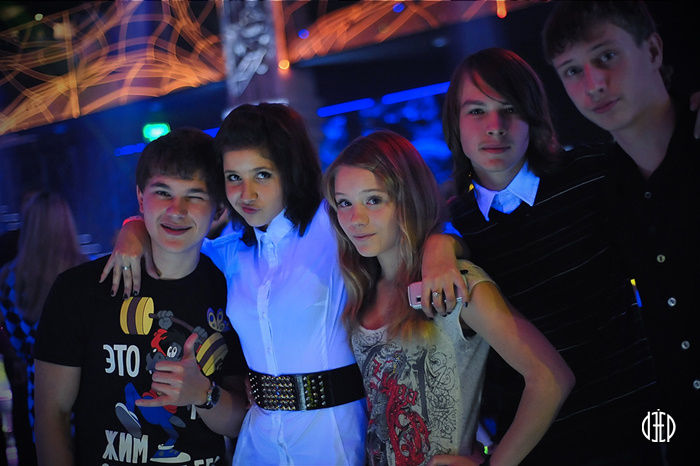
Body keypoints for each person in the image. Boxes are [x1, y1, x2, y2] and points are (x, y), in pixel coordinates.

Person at [100, 103, 467, 465]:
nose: (247, 194)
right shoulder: (232, 252)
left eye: (262, 175)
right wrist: (133, 228)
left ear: (289, 172)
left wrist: (440, 248)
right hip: (259, 441)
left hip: (334, 438)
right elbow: (175, 238)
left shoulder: (332, 225)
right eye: (233, 178)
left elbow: (416, 227)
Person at [442, 47, 666, 465]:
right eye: (477, 111)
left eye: (510, 109)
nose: (495, 127)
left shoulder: (593, 172)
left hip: (637, 426)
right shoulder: (455, 223)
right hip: (534, 446)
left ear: (534, 115)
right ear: (454, 124)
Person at [322, 129, 574, 466]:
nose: (356, 219)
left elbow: (551, 379)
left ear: (408, 199)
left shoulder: (456, 283)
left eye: (374, 200)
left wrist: (495, 463)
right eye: (344, 203)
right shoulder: (359, 290)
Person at [33, 128, 248, 466]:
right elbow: (51, 415)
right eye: (163, 192)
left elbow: (239, 423)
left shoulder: (233, 291)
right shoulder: (78, 290)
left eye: (194, 196)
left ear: (219, 210)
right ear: (140, 198)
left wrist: (204, 394)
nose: (176, 210)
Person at [543, 2, 699, 463]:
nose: (593, 84)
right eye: (572, 71)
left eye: (606, 56)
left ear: (652, 50)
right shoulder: (604, 185)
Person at [0, 191, 87, 466]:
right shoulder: (87, 277)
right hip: (84, 391)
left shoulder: (7, 280)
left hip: (34, 392)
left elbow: (8, 340)